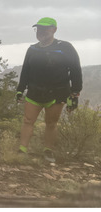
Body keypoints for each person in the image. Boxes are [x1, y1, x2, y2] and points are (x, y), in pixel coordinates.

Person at [16, 17, 82, 162]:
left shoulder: (65, 47)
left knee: (51, 123)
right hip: (34, 92)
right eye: (38, 29)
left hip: (57, 93)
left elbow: (75, 70)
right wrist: (20, 90)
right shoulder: (32, 49)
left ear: (54, 30)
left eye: (45, 28)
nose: (41, 31)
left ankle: (48, 151)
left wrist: (75, 93)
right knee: (28, 120)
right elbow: (25, 71)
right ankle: (22, 150)